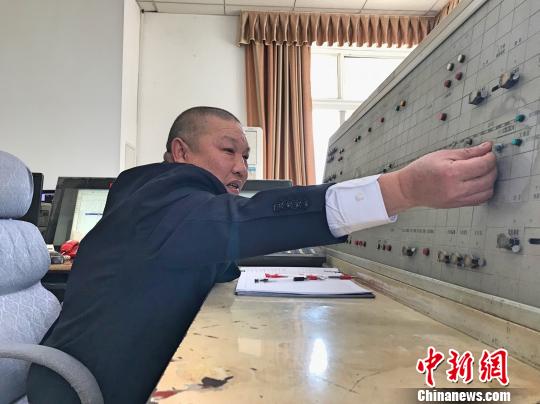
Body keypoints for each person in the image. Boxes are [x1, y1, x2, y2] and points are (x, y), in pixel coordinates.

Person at [28, 106, 497, 403]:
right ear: (181, 152)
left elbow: (214, 250)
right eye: (228, 150)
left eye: (245, 156)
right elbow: (238, 222)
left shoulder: (154, 199)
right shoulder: (163, 196)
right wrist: (401, 189)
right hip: (86, 387)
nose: (241, 167)